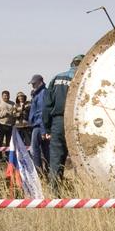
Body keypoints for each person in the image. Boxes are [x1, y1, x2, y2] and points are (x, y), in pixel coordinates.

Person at [43, 54, 80, 192]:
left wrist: (47, 128)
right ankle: (83, 194)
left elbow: (46, 106)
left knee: (56, 161)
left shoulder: (57, 78)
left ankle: (55, 194)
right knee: (80, 161)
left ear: (71, 64)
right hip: (78, 123)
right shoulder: (85, 77)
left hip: (58, 122)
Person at [28, 75, 49, 170]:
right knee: (45, 150)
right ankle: (48, 173)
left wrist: (43, 130)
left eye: (34, 83)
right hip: (39, 125)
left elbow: (42, 112)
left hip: (39, 125)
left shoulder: (42, 93)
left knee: (35, 150)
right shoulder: (38, 93)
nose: (32, 86)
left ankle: (39, 172)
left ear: (40, 82)